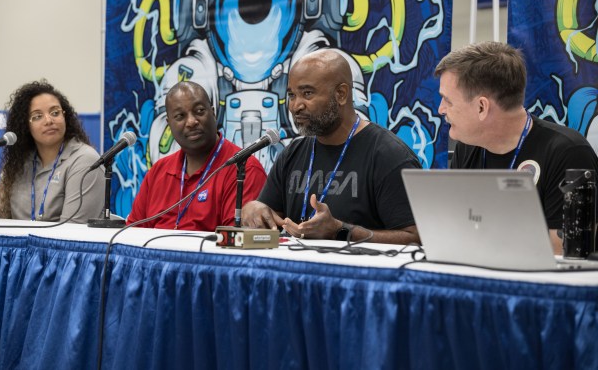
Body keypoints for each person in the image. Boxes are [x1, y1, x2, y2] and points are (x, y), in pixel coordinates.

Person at [241, 49, 422, 244]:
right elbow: (270, 216)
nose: (295, 106)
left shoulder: (389, 155)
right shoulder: (292, 153)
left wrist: (340, 231)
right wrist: (255, 209)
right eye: (292, 95)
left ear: (341, 94)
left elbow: (417, 238)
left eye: (307, 93)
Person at [435, 41, 598, 254]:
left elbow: (566, 249)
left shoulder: (568, 153)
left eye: (447, 100)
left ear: (482, 107)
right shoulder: (468, 147)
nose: (440, 109)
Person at [126, 81, 267, 230]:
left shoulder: (244, 170)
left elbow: (233, 245)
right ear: (169, 124)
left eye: (199, 111)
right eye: (180, 116)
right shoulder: (158, 172)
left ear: (213, 113)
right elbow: (133, 234)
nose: (191, 122)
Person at [0, 80, 104, 223]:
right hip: (17, 245)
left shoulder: (85, 160)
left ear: (65, 116)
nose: (49, 120)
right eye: (37, 116)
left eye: (55, 112)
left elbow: (72, 234)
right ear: (25, 126)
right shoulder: (16, 165)